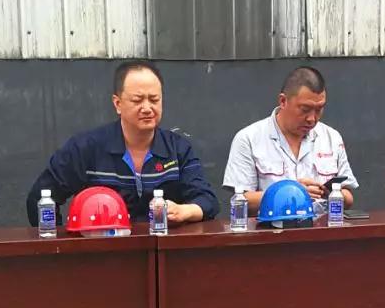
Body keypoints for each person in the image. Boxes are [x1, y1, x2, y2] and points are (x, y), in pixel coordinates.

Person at [26, 60, 218, 226]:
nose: (147, 108)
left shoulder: (178, 149)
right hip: (103, 247)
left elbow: (207, 200)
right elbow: (39, 198)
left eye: (154, 100)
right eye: (137, 100)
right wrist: (62, 245)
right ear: (117, 104)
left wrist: (185, 211)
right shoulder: (85, 148)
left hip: (164, 249)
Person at [222, 66, 358, 214]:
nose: (312, 118)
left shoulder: (332, 137)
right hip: (271, 226)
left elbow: (348, 197)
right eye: (305, 109)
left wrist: (331, 193)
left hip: (323, 225)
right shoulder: (249, 139)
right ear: (283, 101)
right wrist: (291, 192)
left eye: (319, 109)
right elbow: (242, 200)